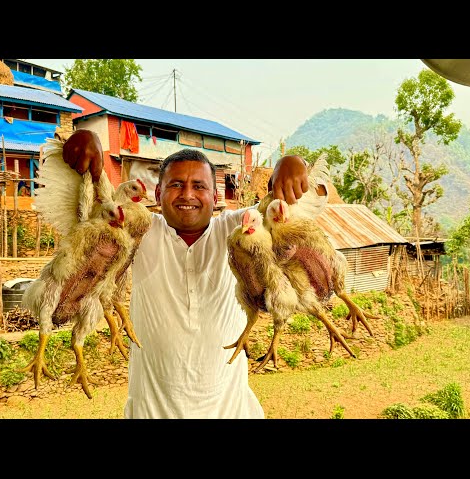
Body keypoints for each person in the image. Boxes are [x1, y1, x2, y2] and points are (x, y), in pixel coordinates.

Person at [61, 129, 309, 419]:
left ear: (215, 195)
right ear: (158, 193)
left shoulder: (239, 230)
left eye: (199, 186)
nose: (188, 194)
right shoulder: (139, 231)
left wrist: (291, 163)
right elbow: (92, 210)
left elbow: (282, 207)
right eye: (176, 184)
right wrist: (85, 141)